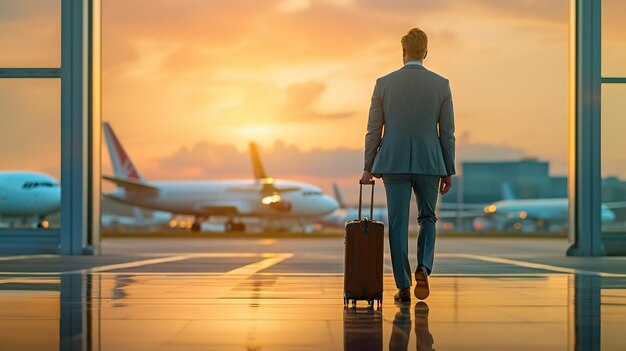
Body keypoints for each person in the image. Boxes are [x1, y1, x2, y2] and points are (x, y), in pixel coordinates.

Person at [361, 28, 456, 302]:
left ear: (403, 52)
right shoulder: (441, 85)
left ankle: (403, 286)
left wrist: (368, 166)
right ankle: (423, 267)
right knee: (428, 217)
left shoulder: (383, 83)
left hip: (394, 162)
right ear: (425, 53)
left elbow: (373, 129)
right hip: (430, 161)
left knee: (398, 223)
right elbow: (447, 133)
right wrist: (448, 169)